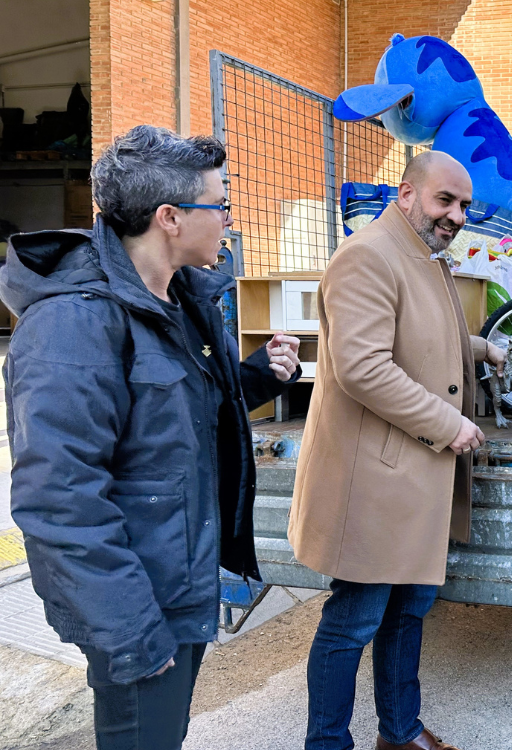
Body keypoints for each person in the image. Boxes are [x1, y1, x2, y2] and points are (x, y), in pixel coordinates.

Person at [0, 125, 300, 750]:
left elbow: (178, 413)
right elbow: (59, 503)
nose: (227, 220)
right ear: (169, 217)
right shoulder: (73, 326)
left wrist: (253, 377)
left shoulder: (180, 301)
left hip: (180, 584)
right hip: (138, 611)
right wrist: (133, 634)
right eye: (219, 205)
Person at [289, 150, 507, 750]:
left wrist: (479, 347)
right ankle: (328, 743)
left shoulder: (420, 253)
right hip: (376, 482)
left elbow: (417, 328)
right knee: (353, 622)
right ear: (407, 194)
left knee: (408, 614)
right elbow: (363, 366)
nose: (457, 215)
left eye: (464, 205)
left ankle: (399, 735)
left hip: (413, 478)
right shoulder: (367, 256)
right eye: (446, 200)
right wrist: (451, 424)